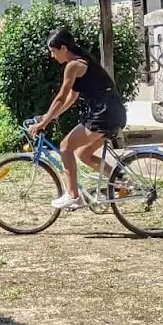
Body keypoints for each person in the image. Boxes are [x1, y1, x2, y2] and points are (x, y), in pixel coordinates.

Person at [27, 27, 127, 210]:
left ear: (64, 48)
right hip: (113, 112)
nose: (52, 55)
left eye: (53, 51)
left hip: (103, 113)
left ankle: (73, 196)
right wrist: (50, 116)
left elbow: (60, 96)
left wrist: (44, 122)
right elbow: (70, 99)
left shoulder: (73, 65)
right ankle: (121, 180)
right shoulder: (83, 61)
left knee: (65, 147)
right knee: (83, 154)